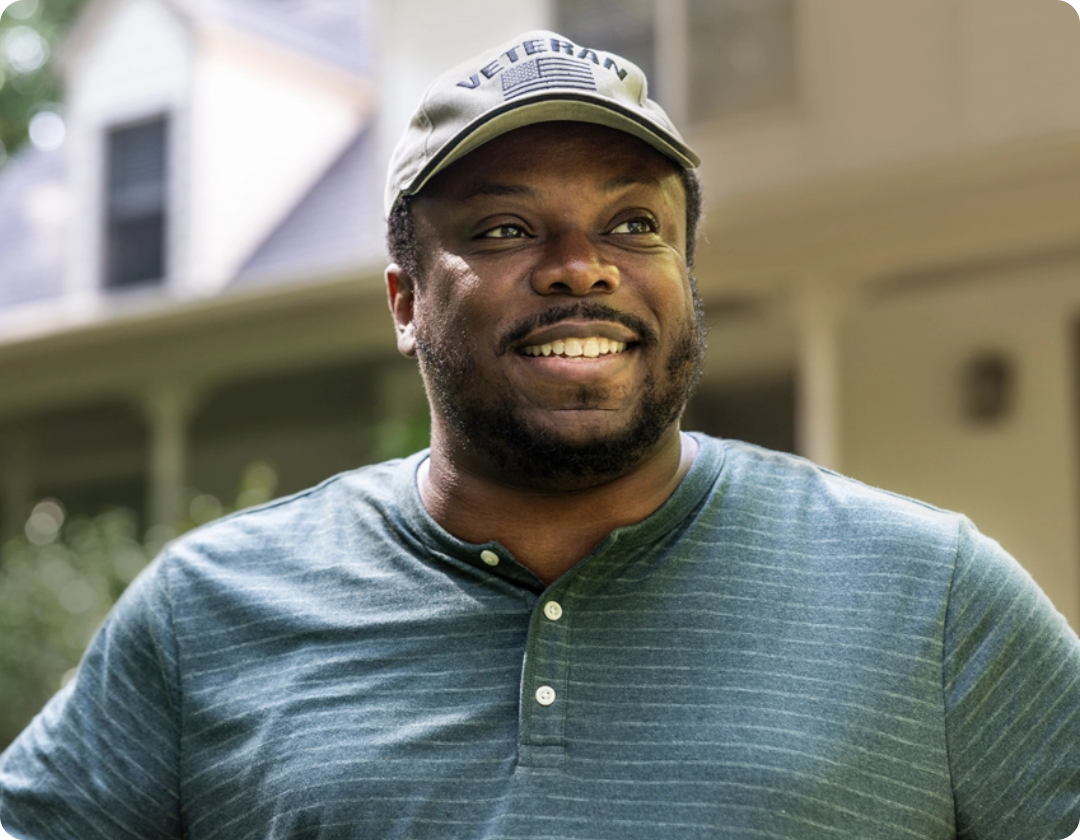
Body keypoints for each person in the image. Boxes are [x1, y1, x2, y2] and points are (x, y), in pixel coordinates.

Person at [1, 29, 1078, 840]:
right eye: (505, 228)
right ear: (404, 300)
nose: (580, 265)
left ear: (687, 278)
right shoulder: (209, 615)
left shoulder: (931, 597)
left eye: (634, 224)